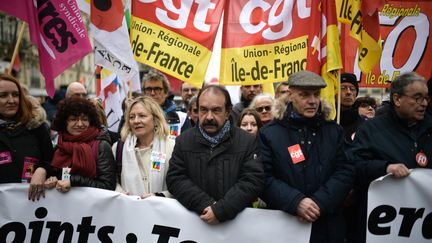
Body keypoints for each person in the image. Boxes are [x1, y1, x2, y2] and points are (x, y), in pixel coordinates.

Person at [259, 70, 354, 243]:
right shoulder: (269, 134)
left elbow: (345, 171)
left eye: (316, 94)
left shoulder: (334, 131)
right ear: (290, 94)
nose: (312, 101)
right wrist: (296, 201)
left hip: (327, 226)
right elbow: (263, 177)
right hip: (285, 226)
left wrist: (319, 201)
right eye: (304, 95)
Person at [346, 72, 432, 243]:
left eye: (426, 98)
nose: (423, 103)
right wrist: (385, 168)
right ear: (397, 99)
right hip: (381, 227)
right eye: (417, 98)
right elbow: (353, 167)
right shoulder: (371, 130)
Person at [166, 85, 264, 224]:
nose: (209, 117)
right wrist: (205, 205)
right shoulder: (184, 140)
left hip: (237, 227)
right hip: (195, 224)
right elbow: (175, 179)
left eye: (216, 110)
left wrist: (221, 210)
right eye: (204, 110)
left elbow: (253, 180)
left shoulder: (246, 141)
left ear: (228, 111)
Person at [0, 74, 54, 201]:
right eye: (3, 95)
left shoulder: (36, 127)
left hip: (33, 207)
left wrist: (42, 170)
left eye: (15, 94)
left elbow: (52, 161)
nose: (11, 100)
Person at [46, 98, 116, 193]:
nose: (80, 124)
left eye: (84, 119)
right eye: (73, 119)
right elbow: (55, 174)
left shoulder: (101, 146)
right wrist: (52, 179)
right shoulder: (59, 147)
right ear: (64, 122)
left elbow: (108, 185)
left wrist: (73, 181)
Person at [113, 96, 175, 198]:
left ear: (155, 119)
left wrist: (159, 196)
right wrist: (119, 193)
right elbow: (112, 181)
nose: (136, 121)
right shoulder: (118, 148)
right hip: (128, 209)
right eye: (132, 117)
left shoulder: (172, 147)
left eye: (142, 116)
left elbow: (179, 183)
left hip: (163, 211)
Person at [142, 69, 191, 137]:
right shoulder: (135, 118)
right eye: (148, 89)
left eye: (157, 89)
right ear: (144, 93)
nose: (152, 93)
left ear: (166, 92)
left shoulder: (181, 118)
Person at [337, 73, 364, 141]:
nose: (348, 92)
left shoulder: (364, 125)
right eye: (343, 88)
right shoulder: (325, 121)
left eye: (352, 89)